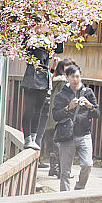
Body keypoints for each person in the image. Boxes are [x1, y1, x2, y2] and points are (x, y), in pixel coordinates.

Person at [52, 65, 99, 191]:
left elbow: (97, 114)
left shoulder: (88, 92)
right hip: (67, 136)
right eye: (72, 77)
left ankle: (79, 189)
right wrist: (68, 108)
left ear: (81, 77)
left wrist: (90, 106)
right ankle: (65, 198)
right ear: (67, 78)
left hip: (84, 134)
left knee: (87, 164)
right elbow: (55, 115)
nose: (75, 80)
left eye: (77, 76)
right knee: (65, 171)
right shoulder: (61, 95)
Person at [21, 18, 63, 150]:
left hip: (44, 77)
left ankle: (33, 137)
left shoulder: (48, 40)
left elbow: (59, 48)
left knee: (38, 109)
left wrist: (58, 32)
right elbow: (24, 47)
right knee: (29, 109)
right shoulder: (31, 38)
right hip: (32, 76)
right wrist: (33, 33)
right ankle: (27, 138)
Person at [41, 57, 75, 176]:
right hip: (62, 116)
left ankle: (53, 168)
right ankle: (61, 170)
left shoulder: (53, 80)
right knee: (63, 144)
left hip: (51, 117)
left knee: (54, 143)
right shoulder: (64, 83)